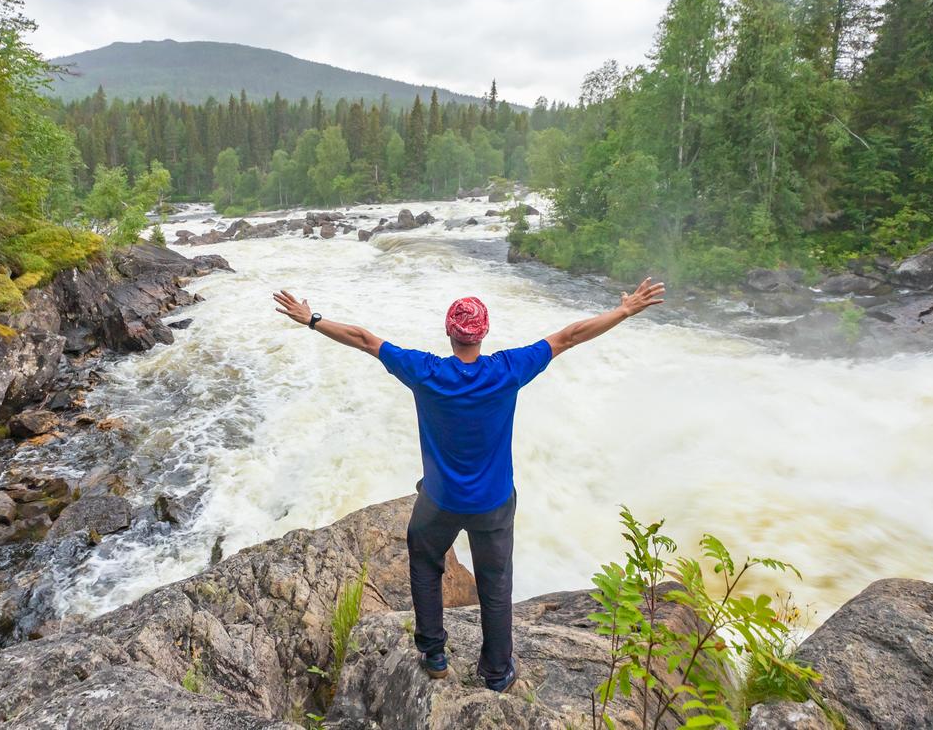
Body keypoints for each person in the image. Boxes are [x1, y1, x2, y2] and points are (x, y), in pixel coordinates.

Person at [271, 276, 666, 693]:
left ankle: (434, 653)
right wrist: (623, 310)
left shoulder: (425, 372)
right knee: (495, 585)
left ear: (449, 332)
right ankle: (497, 672)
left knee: (425, 560)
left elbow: (365, 340)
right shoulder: (508, 370)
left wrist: (311, 319)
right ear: (484, 333)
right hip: (493, 504)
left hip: (440, 500)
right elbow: (569, 337)